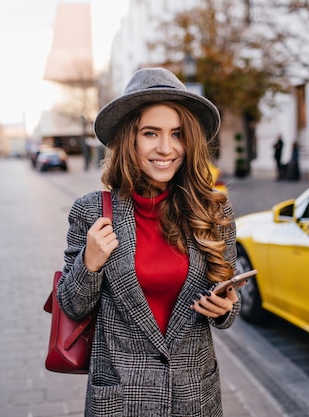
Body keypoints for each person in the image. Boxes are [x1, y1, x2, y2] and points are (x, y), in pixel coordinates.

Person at [56, 67, 241, 417]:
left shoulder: (213, 209)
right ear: (130, 139)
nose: (166, 148)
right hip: (121, 400)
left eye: (177, 134)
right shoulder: (92, 210)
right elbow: (72, 307)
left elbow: (229, 307)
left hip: (195, 397)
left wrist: (227, 308)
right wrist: (89, 263)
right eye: (151, 133)